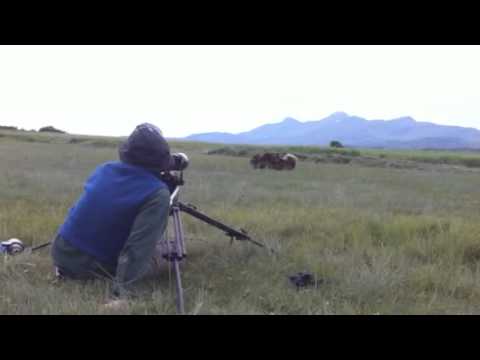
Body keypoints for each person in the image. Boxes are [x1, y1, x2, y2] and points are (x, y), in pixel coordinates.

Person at [51, 123, 188, 303]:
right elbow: (138, 247)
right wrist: (122, 295)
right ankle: (112, 283)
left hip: (61, 252)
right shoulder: (156, 194)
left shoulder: (105, 169)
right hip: (90, 266)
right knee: (169, 255)